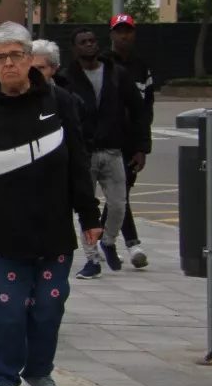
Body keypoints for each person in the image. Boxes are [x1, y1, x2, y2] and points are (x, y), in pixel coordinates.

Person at [0, 21, 103, 386]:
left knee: (49, 308)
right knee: (7, 310)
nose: (9, 64)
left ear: (29, 58)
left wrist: (89, 214)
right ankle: (3, 377)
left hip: (52, 230)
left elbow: (78, 164)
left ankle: (39, 373)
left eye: (16, 55)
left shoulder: (60, 103)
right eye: (0, 58)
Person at [62, 28, 148, 278]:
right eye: (83, 42)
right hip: (83, 153)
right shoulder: (68, 78)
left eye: (92, 41)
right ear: (74, 48)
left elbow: (138, 111)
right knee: (86, 207)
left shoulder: (117, 74)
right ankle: (91, 259)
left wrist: (142, 148)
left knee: (119, 204)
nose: (89, 45)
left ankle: (108, 241)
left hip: (113, 151)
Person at [108, 15, 155, 263]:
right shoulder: (103, 64)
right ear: (112, 35)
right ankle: (132, 244)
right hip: (107, 140)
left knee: (119, 195)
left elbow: (146, 110)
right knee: (118, 195)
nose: (124, 36)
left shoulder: (141, 67)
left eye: (128, 31)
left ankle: (102, 239)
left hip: (131, 143)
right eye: (119, 31)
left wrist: (143, 147)